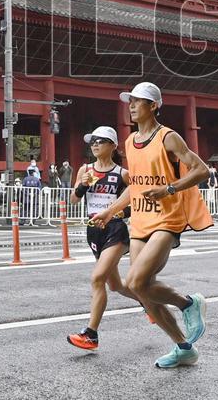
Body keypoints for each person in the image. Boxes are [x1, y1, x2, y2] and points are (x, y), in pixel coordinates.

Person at [93, 82, 213, 369]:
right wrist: (110, 210)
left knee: (135, 282)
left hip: (167, 219)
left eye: (138, 101)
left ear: (154, 105)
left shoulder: (168, 137)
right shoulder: (130, 142)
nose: (132, 106)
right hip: (140, 221)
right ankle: (183, 347)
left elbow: (202, 170)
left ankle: (188, 303)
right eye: (130, 101)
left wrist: (169, 189)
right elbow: (135, 186)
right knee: (142, 290)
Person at [67, 125, 140, 351]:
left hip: (115, 229)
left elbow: (137, 200)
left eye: (100, 141)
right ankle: (149, 302)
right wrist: (83, 185)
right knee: (115, 285)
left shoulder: (122, 174)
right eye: (92, 141)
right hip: (93, 230)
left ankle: (91, 334)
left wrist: (119, 213)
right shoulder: (86, 169)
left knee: (98, 278)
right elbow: (73, 200)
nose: (95, 145)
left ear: (113, 145)